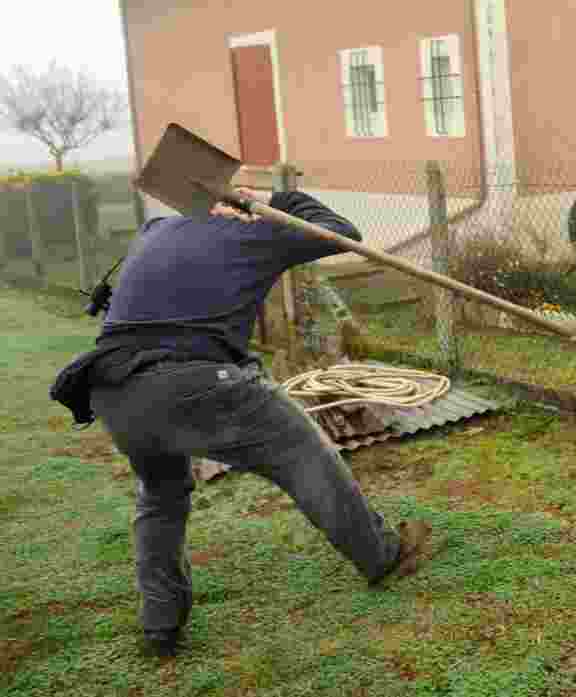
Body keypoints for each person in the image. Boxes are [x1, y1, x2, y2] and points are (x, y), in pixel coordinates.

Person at [80, 187, 434, 656]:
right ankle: (383, 555)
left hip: (112, 386)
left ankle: (160, 623)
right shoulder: (257, 235)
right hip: (195, 378)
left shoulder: (155, 230)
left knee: (161, 494)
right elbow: (344, 235)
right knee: (301, 452)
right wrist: (280, 198)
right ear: (238, 207)